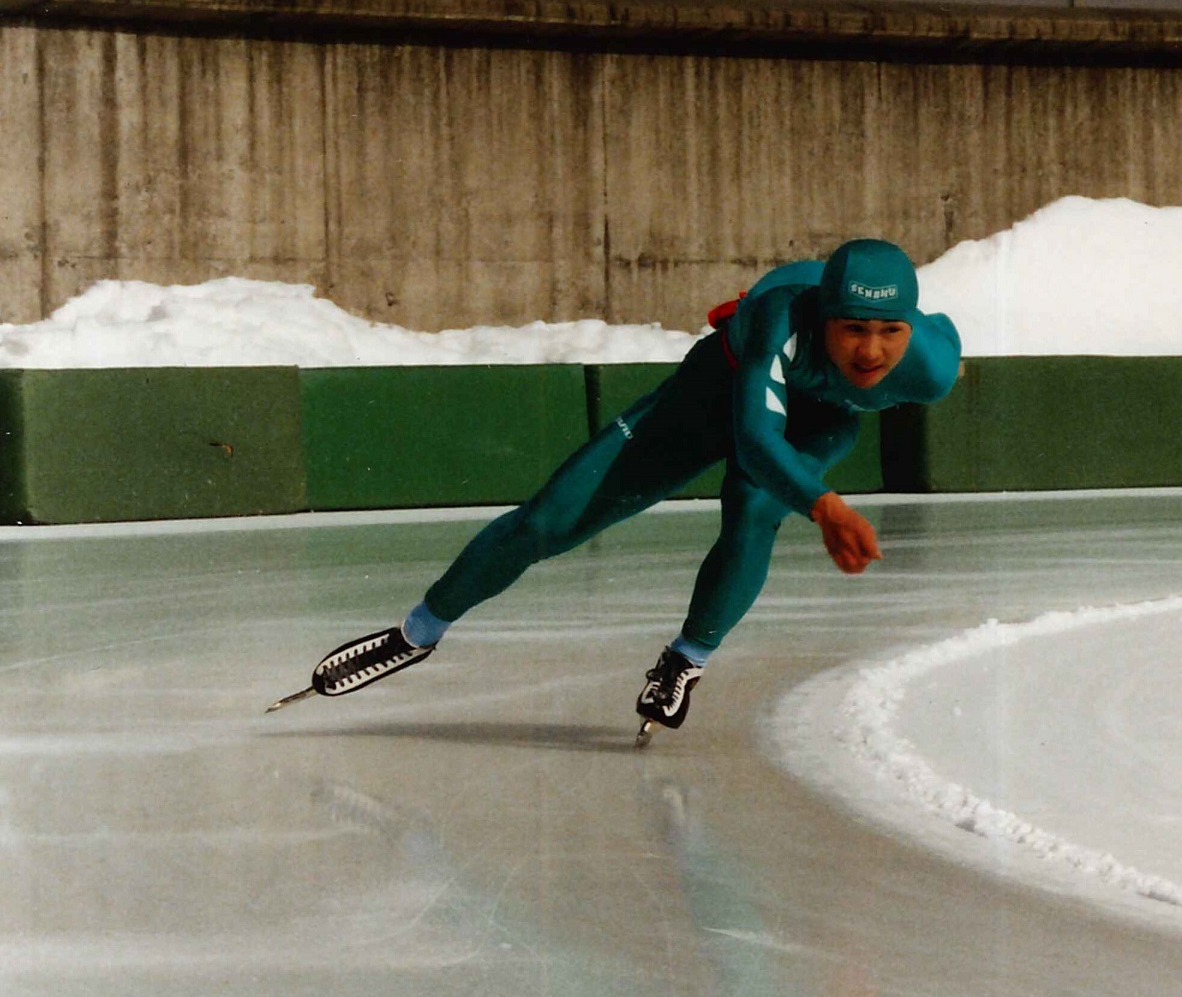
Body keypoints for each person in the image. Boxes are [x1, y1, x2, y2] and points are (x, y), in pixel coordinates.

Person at [294, 238, 962, 745]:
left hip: (820, 419)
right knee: (545, 521)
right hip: (714, 394)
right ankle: (416, 632)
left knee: (755, 509)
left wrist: (813, 498)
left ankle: (687, 659)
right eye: (852, 328)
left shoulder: (931, 366)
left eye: (889, 332)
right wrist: (826, 505)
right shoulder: (778, 321)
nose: (870, 352)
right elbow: (757, 439)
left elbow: (770, 462)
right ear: (821, 319)